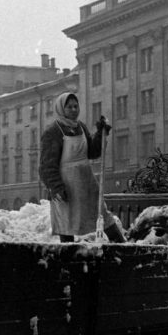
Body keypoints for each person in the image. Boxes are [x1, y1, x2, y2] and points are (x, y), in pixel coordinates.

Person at [39, 92, 126, 243]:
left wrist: (100, 133)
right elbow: (47, 165)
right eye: (69, 107)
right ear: (61, 109)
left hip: (86, 181)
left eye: (76, 106)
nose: (74, 110)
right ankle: (68, 257)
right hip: (66, 185)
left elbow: (93, 152)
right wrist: (57, 187)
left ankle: (123, 248)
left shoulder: (81, 127)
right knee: (67, 223)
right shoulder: (53, 132)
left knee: (102, 215)